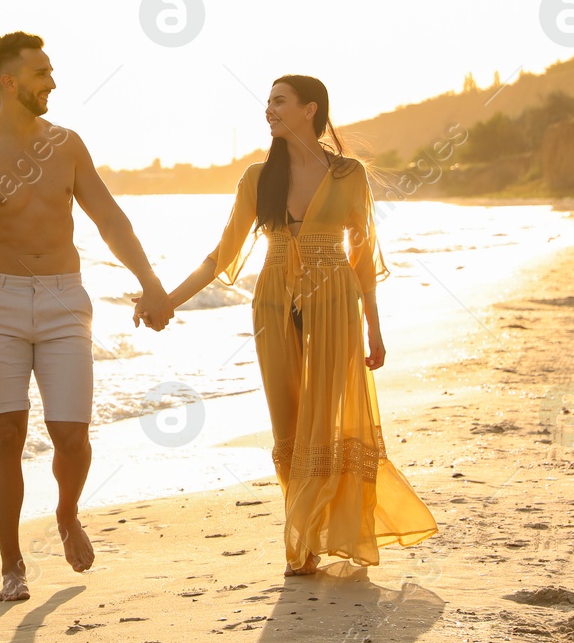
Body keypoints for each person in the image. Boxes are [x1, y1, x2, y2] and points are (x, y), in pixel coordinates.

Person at [142, 74, 437, 576]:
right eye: (269, 102)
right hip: (275, 299)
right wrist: (168, 300)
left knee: (328, 418)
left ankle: (326, 534)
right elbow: (223, 254)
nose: (270, 109)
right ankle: (303, 539)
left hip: (335, 299)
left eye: (280, 101)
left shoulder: (350, 174)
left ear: (309, 109)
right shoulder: (259, 177)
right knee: (289, 422)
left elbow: (363, 257)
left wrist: (375, 328)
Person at [0, 31, 173, 602]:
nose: (52, 81)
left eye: (51, 70)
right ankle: (11, 563)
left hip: (66, 299)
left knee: (71, 436)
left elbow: (110, 219)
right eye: (42, 72)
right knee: (7, 430)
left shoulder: (68, 145)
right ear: (8, 82)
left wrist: (149, 280)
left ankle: (67, 513)